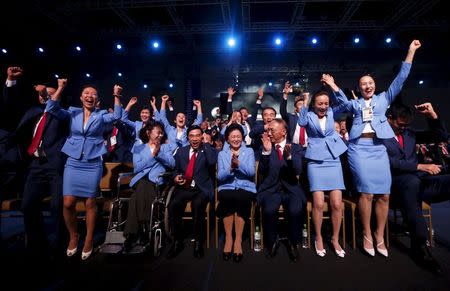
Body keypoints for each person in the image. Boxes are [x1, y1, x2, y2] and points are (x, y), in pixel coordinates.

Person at [323, 39, 422, 257]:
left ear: (374, 85)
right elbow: (339, 100)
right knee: (366, 193)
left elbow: (401, 78)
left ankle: (379, 236)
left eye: (370, 83)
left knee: (384, 195)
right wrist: (332, 85)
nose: (367, 86)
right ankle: (367, 234)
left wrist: (410, 51)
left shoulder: (384, 99)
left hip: (378, 149)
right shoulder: (355, 104)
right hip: (358, 149)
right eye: (363, 84)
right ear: (359, 88)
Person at [46, 82, 123, 261]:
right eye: (86, 93)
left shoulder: (101, 115)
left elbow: (117, 116)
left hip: (93, 162)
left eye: (93, 94)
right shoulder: (72, 112)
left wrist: (117, 96)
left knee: (90, 203)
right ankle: (74, 235)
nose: (90, 96)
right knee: (67, 202)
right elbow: (51, 107)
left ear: (97, 100)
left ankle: (88, 238)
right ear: (81, 98)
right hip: (73, 161)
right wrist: (61, 88)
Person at [384, 102, 449, 274]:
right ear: (389, 119)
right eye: (400, 124)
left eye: (406, 125)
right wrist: (419, 166)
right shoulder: (378, 136)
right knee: (411, 186)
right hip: (396, 186)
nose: (403, 128)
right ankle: (420, 246)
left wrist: (432, 115)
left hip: (419, 184)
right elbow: (387, 162)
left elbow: (441, 135)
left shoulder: (409, 134)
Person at [9, 76, 69, 262]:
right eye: (43, 95)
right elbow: (11, 104)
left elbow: (54, 106)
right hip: (35, 165)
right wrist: (11, 81)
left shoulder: (63, 114)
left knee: (56, 207)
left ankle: (60, 246)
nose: (45, 96)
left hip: (55, 166)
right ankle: (37, 244)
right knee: (27, 205)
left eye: (49, 94)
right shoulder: (33, 113)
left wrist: (54, 92)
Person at [297, 90, 347, 258]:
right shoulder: (309, 115)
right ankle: (318, 237)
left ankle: (334, 239)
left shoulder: (333, 112)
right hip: (315, 161)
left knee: (336, 204)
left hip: (333, 159)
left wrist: (333, 86)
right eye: (320, 103)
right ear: (314, 104)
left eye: (326, 103)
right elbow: (302, 121)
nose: (324, 106)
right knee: (318, 203)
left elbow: (345, 104)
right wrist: (305, 101)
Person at [258, 119, 306, 262]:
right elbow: (261, 171)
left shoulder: (296, 148)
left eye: (272, 130)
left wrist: (289, 157)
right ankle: (272, 242)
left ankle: (293, 242)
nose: (269, 133)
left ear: (284, 131)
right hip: (272, 190)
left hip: (291, 189)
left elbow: (297, 170)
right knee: (269, 210)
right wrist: (266, 153)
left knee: (295, 210)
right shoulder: (267, 146)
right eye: (268, 130)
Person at [166, 125, 217, 259]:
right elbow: (175, 170)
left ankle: (198, 242)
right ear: (188, 138)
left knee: (198, 205)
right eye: (191, 136)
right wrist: (175, 177)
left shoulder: (208, 150)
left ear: (202, 137)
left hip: (201, 188)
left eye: (197, 136)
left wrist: (206, 144)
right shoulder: (181, 151)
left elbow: (212, 161)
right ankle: (177, 241)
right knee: (173, 205)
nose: (194, 139)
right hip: (184, 187)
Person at [123, 121, 175, 251]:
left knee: (136, 197)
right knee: (142, 186)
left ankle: (131, 234)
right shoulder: (139, 148)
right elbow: (137, 168)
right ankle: (144, 228)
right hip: (140, 180)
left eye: (162, 133)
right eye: (157, 132)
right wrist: (152, 155)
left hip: (156, 182)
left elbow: (173, 164)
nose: (160, 135)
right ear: (148, 133)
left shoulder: (166, 148)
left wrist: (159, 154)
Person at [217, 123, 256, 262]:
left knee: (241, 198)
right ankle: (229, 238)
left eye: (238, 136)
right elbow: (220, 176)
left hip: (245, 186)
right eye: (232, 136)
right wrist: (230, 169)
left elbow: (251, 172)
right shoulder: (222, 154)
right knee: (226, 197)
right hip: (227, 186)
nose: (235, 139)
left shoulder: (249, 151)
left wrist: (238, 165)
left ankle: (238, 240)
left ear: (242, 137)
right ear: (227, 139)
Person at [280, 81, 309, 147]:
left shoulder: (311, 117)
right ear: (296, 108)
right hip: (294, 147)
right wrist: (285, 95)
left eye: (304, 104)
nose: (302, 106)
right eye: (300, 104)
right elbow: (283, 111)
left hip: (309, 147)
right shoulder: (291, 117)